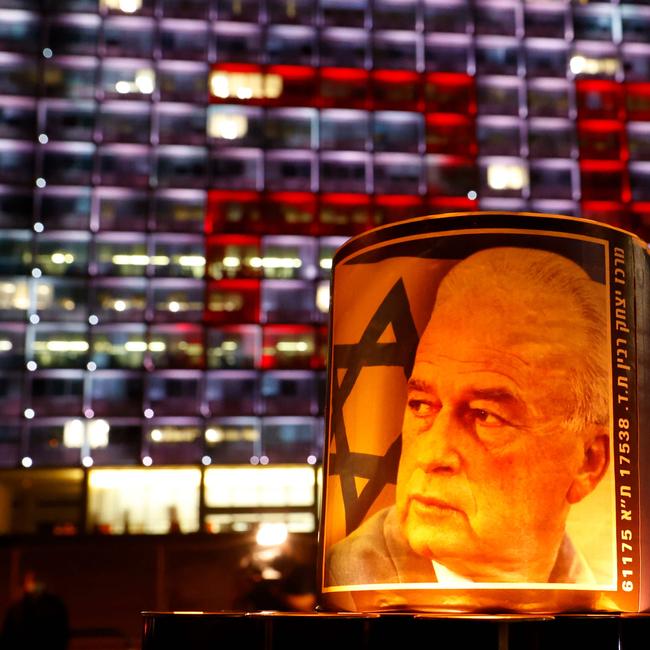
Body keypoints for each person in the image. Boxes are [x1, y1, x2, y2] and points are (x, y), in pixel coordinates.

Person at [326, 247, 611, 587]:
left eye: (485, 415)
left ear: (588, 463)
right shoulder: (344, 577)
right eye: (420, 405)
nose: (431, 455)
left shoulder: (600, 598)